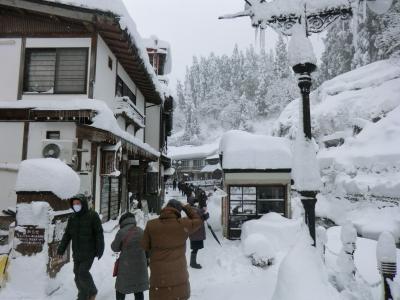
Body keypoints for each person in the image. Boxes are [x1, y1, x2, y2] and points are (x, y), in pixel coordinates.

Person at [141, 199, 202, 300]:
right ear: (178, 210)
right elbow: (198, 220)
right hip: (179, 281)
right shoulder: (183, 224)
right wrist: (186, 207)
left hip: (159, 282)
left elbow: (144, 246)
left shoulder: (151, 225)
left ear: (165, 208)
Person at [57, 194, 104, 300]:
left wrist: (100, 249)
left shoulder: (93, 216)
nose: (76, 205)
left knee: (82, 272)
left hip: (89, 252)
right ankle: (83, 295)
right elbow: (67, 235)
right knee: (77, 276)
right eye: (74, 204)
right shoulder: (72, 218)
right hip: (77, 253)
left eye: (78, 203)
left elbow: (99, 234)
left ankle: (92, 291)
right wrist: (61, 249)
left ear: (83, 204)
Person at [111, 212, 149, 300]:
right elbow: (148, 248)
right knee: (138, 289)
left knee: (121, 289)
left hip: (126, 266)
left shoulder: (121, 232)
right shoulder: (141, 231)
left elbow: (115, 248)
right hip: (140, 266)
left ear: (122, 221)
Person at [188, 198, 209, 269]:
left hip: (197, 233)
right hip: (196, 233)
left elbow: (204, 217)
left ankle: (193, 262)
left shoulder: (196, 209)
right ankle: (193, 263)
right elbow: (199, 214)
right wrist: (204, 210)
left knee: (196, 248)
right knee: (195, 248)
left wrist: (205, 213)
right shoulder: (193, 210)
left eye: (197, 203)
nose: (197, 204)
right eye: (196, 203)